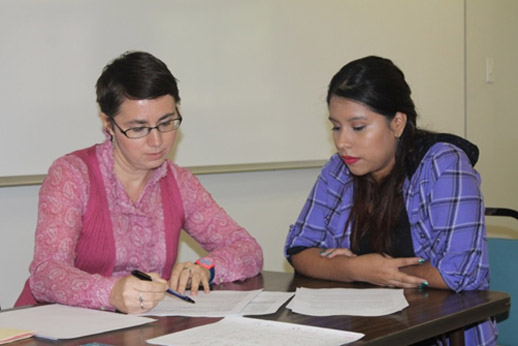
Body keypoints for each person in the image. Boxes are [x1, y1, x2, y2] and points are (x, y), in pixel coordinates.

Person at [15, 51, 263, 314]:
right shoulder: (72, 175)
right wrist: (112, 293)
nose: (157, 141)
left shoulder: (178, 181)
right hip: (55, 330)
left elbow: (249, 249)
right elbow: (46, 274)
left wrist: (208, 268)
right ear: (108, 125)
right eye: (138, 128)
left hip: (136, 330)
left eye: (166, 123)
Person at [284, 56, 495, 345]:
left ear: (397, 123)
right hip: (364, 331)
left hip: (438, 333)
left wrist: (375, 271)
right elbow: (299, 250)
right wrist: (357, 269)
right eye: (336, 127)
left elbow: (459, 274)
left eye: (357, 127)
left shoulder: (443, 165)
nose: (342, 142)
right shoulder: (338, 171)